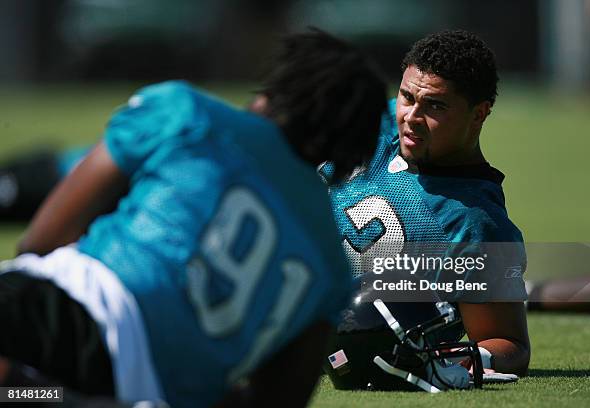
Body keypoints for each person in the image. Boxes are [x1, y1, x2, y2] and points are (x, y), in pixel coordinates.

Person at [0, 29, 388, 407]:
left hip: (73, 313)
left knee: (21, 387)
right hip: (156, 391)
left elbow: (41, 240)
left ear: (274, 92)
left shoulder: (192, 114)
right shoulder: (331, 268)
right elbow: (275, 399)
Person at [321, 30, 530, 380]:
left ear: (479, 113)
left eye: (435, 106)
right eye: (406, 97)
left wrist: (465, 362)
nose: (412, 117)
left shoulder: (475, 224)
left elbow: (508, 344)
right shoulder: (379, 119)